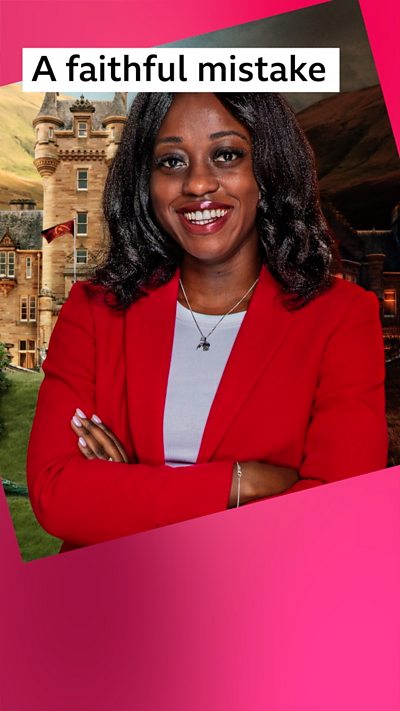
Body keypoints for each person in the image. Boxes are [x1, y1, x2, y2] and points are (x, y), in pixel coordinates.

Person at [27, 93, 388, 552]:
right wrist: (242, 482)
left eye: (227, 154)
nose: (198, 183)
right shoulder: (94, 310)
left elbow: (336, 518)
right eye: (172, 161)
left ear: (268, 171)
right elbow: (57, 495)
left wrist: (126, 490)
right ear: (145, 180)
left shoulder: (341, 318)